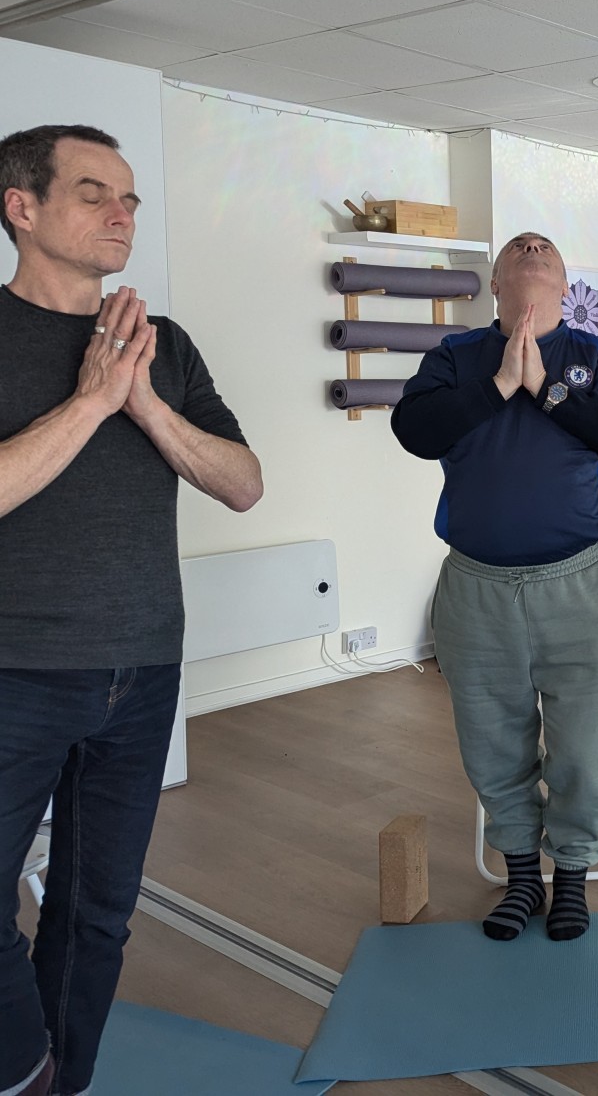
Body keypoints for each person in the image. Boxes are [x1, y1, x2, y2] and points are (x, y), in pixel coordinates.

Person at [0, 125, 262, 1096]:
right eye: (93, 192)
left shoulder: (164, 345)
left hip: (143, 672)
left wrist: (145, 403)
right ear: (22, 208)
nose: (123, 214)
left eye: (131, 198)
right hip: (15, 672)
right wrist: (90, 401)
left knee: (97, 912)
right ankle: (24, 1073)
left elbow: (243, 482)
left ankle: (66, 1081)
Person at [392, 232, 598, 944]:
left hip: (583, 586)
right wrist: (500, 384)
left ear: (564, 288)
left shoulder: (595, 356)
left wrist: (545, 388)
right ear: (497, 285)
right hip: (477, 592)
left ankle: (573, 878)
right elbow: (415, 429)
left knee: (587, 751)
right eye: (520, 249)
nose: (534, 248)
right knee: (492, 745)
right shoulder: (455, 358)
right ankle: (522, 877)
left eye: (547, 251)